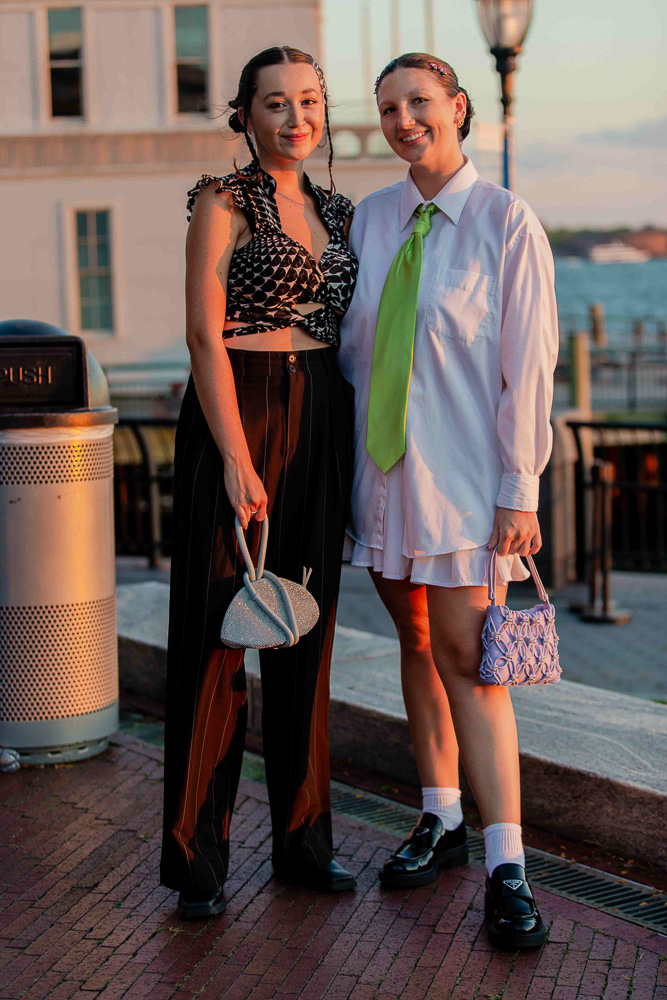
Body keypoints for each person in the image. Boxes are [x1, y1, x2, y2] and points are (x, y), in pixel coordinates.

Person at [338, 53, 558, 949]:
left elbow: (528, 367)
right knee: (416, 646)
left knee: (471, 663)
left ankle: (508, 861)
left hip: (466, 489)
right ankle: (439, 815)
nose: (402, 120)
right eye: (388, 108)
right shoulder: (371, 220)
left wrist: (520, 490)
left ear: (459, 109)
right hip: (382, 484)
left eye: (418, 103)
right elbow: (353, 355)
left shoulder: (506, 221)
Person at [160, 45, 359, 920]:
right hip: (236, 411)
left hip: (322, 412)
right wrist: (237, 459)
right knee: (216, 639)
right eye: (274, 103)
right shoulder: (221, 199)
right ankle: (195, 860)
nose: (294, 118)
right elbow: (204, 336)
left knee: (304, 635)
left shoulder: (340, 209)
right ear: (243, 114)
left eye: (309, 101)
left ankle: (303, 842)